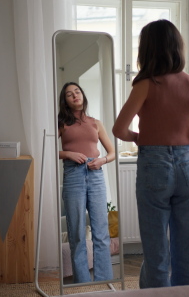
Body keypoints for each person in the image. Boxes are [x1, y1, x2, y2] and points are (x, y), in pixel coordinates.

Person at [112, 19, 189, 288]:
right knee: (187, 245)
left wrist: (140, 138)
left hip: (154, 165)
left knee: (155, 247)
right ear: (177, 47)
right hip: (187, 166)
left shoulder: (146, 84)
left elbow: (119, 129)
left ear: (147, 50)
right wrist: (186, 146)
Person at [58, 81, 114, 283]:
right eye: (69, 94)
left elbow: (113, 152)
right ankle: (82, 283)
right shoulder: (61, 123)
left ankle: (104, 280)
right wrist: (68, 154)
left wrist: (102, 160)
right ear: (65, 101)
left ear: (82, 95)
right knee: (77, 232)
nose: (75, 95)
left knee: (101, 231)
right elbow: (46, 149)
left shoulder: (95, 123)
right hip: (73, 175)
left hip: (96, 174)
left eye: (77, 91)